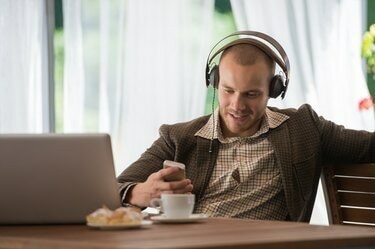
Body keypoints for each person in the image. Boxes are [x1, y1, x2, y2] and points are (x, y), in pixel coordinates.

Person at [117, 31, 375, 222]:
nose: (237, 105)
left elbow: (368, 146)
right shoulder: (178, 137)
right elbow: (110, 189)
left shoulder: (303, 128)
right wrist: (137, 193)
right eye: (228, 90)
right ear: (215, 81)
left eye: (251, 94)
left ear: (274, 90)